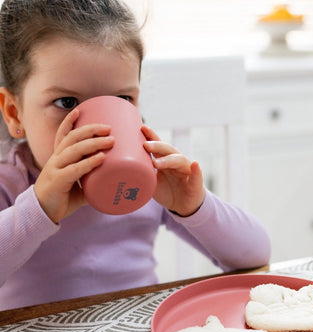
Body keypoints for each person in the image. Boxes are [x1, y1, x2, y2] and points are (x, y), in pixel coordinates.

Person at [0, 0, 271, 310]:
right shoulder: (10, 185)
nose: (99, 127)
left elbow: (257, 255)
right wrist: (39, 208)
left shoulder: (149, 181)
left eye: (121, 98)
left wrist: (195, 207)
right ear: (14, 112)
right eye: (67, 102)